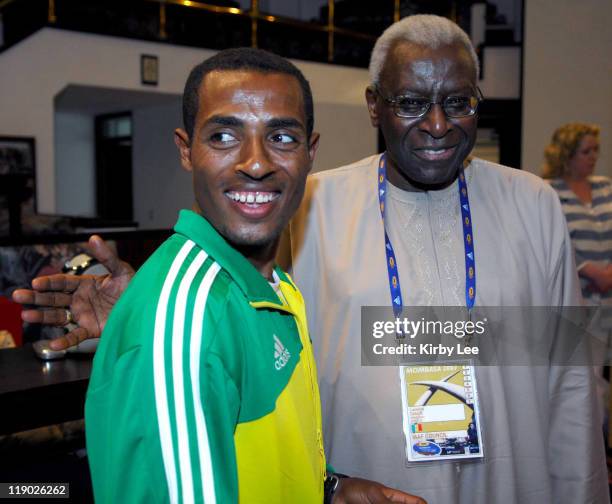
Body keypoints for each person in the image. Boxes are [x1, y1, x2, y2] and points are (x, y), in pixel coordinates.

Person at [14, 15, 608, 504]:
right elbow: (242, 317)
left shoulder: (533, 204)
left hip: (508, 484)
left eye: (457, 102)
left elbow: (569, 375)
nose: (436, 124)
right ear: (375, 107)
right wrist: (146, 302)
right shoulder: (312, 201)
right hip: (366, 483)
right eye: (410, 102)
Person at [15, 48, 424, 504]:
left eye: (283, 138)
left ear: (310, 154)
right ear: (186, 150)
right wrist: (169, 326)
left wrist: (329, 489)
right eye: (225, 136)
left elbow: (255, 452)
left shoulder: (279, 289)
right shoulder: (186, 326)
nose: (255, 162)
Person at [542, 122, 612, 425]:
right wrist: (586, 269)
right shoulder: (549, 192)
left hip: (609, 297)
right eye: (586, 151)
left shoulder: (605, 187)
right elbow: (551, 241)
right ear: (567, 155)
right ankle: (591, 450)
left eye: (596, 150)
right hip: (580, 303)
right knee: (590, 381)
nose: (593, 157)